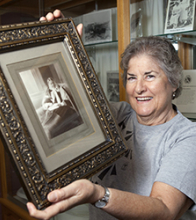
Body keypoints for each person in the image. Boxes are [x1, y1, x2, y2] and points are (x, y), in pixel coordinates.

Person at [27, 10, 196, 220]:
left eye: (150, 76)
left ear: (173, 82)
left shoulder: (188, 137)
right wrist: (59, 45)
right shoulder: (119, 115)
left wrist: (98, 194)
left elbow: (163, 210)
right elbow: (76, 100)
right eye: (132, 78)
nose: (139, 88)